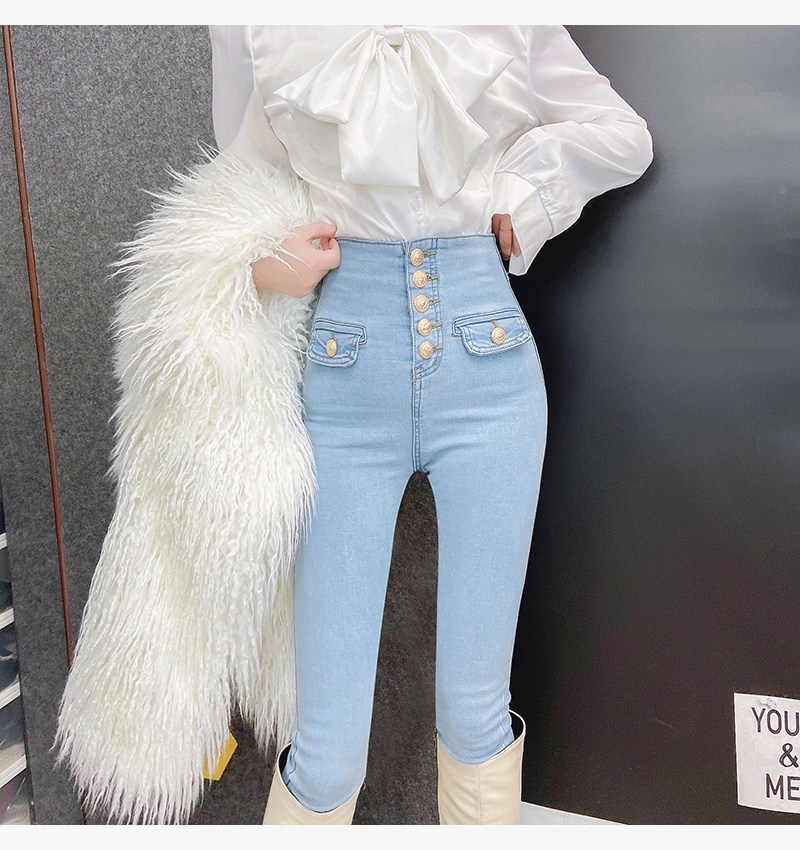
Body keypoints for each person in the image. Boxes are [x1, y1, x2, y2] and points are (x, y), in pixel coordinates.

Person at [53, 24, 652, 826]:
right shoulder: (253, 24)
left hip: (492, 370)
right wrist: (267, 261)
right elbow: (245, 187)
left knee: (476, 712)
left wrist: (526, 192)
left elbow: (621, 134)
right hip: (345, 371)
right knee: (327, 744)